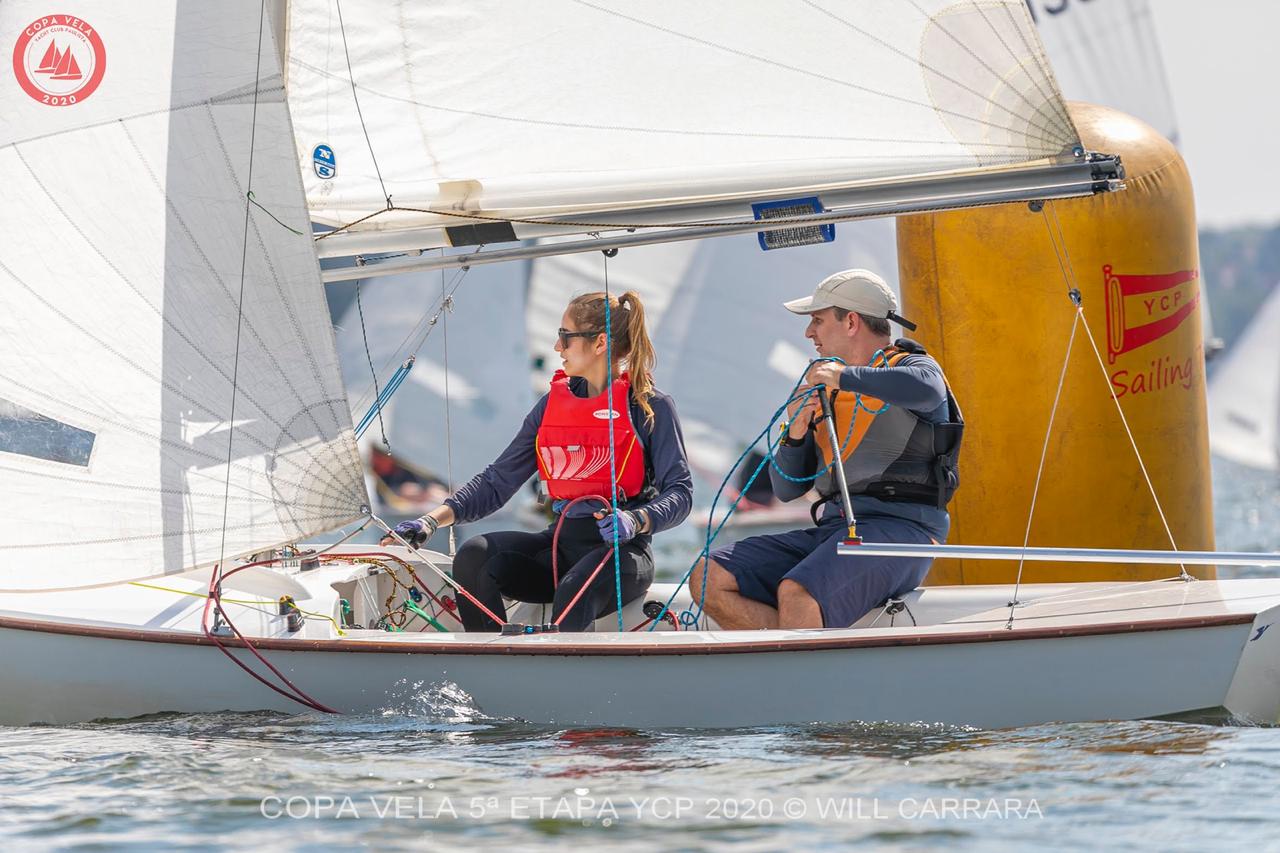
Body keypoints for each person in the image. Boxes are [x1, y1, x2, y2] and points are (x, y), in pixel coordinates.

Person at [381, 290, 693, 631]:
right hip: (560, 547)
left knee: (575, 589)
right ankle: (489, 660)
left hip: (623, 555)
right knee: (474, 556)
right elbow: (497, 481)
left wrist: (637, 519)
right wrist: (429, 522)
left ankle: (559, 664)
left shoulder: (650, 407)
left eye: (565, 336)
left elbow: (680, 493)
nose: (558, 347)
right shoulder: (550, 406)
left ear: (600, 342)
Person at [690, 269, 963, 630]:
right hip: (837, 530)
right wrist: (796, 433)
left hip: (905, 531)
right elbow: (787, 490)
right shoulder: (822, 392)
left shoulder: (913, 367)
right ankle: (792, 655)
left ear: (851, 322)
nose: (809, 332)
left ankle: (797, 659)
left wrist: (841, 376)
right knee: (708, 575)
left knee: (798, 592)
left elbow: (928, 389)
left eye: (817, 321)